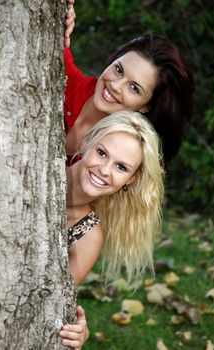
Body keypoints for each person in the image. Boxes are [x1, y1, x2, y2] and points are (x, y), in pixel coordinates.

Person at [60, 110, 164, 348]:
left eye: (121, 167)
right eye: (101, 152)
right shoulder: (36, 162)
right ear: (86, 141)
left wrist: (79, 331)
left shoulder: (87, 234)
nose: (105, 170)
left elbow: (56, 298)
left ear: (131, 179)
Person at [63, 2, 193, 165]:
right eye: (118, 70)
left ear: (146, 106)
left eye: (134, 88)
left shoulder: (121, 161)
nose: (116, 86)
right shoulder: (61, 74)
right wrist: (62, 10)